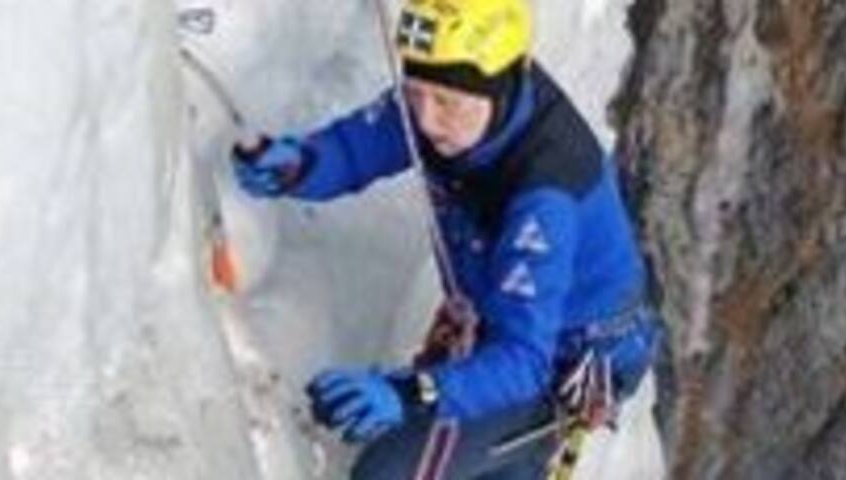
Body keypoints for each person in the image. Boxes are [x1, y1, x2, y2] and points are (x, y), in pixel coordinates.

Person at [229, 0, 662, 477]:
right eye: (415, 95)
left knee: (390, 472)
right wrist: (300, 164)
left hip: (562, 355)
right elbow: (359, 147)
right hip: (515, 324)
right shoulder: (463, 99)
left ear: (497, 92)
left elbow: (522, 360)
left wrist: (412, 394)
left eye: (446, 105)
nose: (428, 120)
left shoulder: (543, 197)